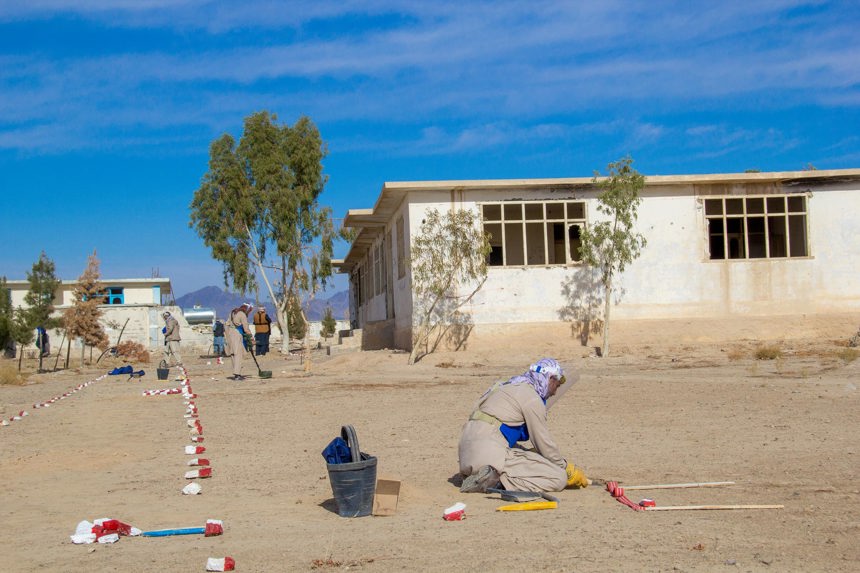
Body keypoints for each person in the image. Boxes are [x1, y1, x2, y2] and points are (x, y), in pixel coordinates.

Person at [458, 358, 589, 493]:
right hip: (488, 452)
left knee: (532, 456)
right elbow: (543, 443)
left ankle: (481, 472)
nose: (555, 392)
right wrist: (566, 469)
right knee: (558, 478)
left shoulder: (509, 386)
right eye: (557, 385)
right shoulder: (532, 398)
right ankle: (493, 480)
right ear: (550, 379)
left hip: (467, 454)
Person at [225, 303, 253, 380]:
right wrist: (251, 337)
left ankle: (236, 372)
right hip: (237, 334)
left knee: (233, 353)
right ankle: (237, 374)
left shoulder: (232, 312)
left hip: (229, 333)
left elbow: (227, 323)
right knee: (238, 354)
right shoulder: (242, 314)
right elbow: (246, 328)